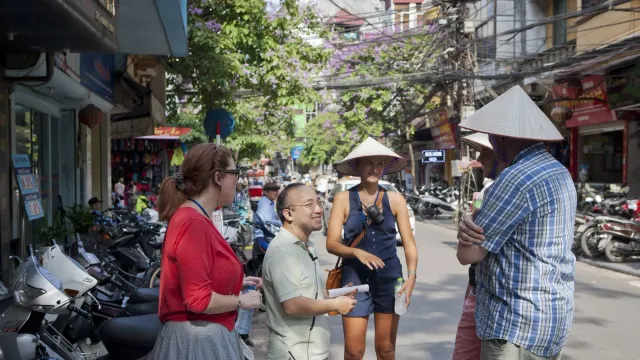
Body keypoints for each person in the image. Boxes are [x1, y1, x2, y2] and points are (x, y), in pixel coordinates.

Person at [456, 86, 576, 360]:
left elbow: (469, 254)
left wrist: (465, 227)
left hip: (515, 323)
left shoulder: (514, 178)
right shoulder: (560, 173)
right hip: (551, 318)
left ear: (500, 137)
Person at [149, 143, 263, 360]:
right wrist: (241, 300)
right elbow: (198, 300)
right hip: (198, 342)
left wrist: (237, 282)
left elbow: (198, 279)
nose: (237, 181)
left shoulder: (196, 218)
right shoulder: (192, 222)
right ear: (218, 177)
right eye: (235, 173)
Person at [326, 137, 419, 360]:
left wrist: (412, 276)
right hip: (354, 279)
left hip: (389, 279)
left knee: (386, 349)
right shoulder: (343, 198)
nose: (374, 168)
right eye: (368, 163)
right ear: (357, 166)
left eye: (379, 164)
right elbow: (331, 244)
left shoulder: (395, 199)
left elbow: (409, 243)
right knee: (354, 350)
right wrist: (356, 252)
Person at [263, 184, 357, 360]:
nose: (318, 210)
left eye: (318, 203)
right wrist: (335, 305)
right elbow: (292, 305)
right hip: (293, 354)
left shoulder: (306, 246)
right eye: (309, 205)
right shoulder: (283, 251)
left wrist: (337, 294)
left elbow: (310, 293)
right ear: (288, 213)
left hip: (313, 352)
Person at [452, 133, 507, 360]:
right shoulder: (486, 191)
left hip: (501, 300)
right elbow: (474, 238)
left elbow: (468, 252)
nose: (479, 158)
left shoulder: (504, 192)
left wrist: (466, 231)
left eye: (485, 152)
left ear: (500, 154)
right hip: (479, 288)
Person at [253, 182, 283, 249]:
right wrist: (283, 224)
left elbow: (275, 218)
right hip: (263, 238)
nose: (276, 192)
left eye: (276, 190)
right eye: (273, 190)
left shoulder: (270, 203)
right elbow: (268, 222)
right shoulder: (264, 203)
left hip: (269, 235)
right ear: (265, 192)